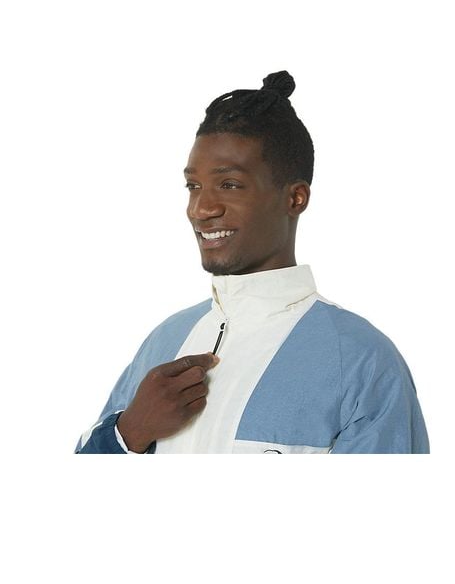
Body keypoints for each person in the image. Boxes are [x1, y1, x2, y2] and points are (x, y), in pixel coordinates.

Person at [76, 70, 429, 454]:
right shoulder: (163, 342)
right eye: (193, 186)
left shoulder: (362, 360)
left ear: (295, 198)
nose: (201, 208)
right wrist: (128, 433)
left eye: (229, 185)